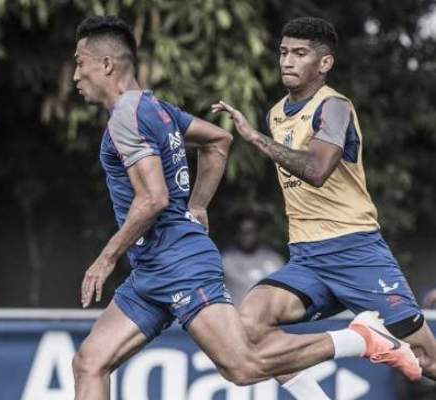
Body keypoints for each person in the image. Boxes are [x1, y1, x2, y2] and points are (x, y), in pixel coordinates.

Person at [71, 16, 420, 400]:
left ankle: (360, 338)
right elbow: (218, 140)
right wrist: (198, 205)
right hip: (151, 269)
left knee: (243, 367)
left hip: (179, 264)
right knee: (89, 362)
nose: (75, 75)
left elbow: (153, 198)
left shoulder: (126, 116)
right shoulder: (157, 109)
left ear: (107, 64)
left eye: (80, 62)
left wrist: (105, 258)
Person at [213, 16, 436, 400]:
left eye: (300, 53)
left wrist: (254, 138)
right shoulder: (276, 113)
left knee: (427, 360)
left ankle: (366, 337)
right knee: (251, 324)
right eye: (284, 52)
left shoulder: (333, 107)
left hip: (355, 251)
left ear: (324, 63)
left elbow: (317, 171)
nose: (287, 61)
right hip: (307, 258)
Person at [222, 215, 284, 305]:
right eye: (243, 232)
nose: (247, 236)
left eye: (251, 231)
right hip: (238, 311)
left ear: (258, 233)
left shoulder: (274, 259)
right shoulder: (226, 260)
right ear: (237, 234)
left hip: (270, 312)